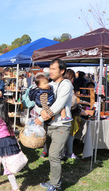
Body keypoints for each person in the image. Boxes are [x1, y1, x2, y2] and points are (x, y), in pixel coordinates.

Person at [35, 58, 72, 191]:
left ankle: (56, 185)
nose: (50, 71)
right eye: (50, 69)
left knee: (54, 155)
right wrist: (41, 114)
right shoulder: (48, 84)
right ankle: (54, 181)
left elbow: (58, 104)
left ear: (62, 71)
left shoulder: (66, 84)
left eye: (53, 69)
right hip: (49, 125)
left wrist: (43, 117)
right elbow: (37, 103)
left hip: (61, 125)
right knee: (52, 155)